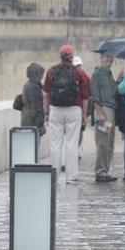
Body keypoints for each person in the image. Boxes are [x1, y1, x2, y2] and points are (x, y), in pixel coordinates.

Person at [42, 44, 91, 184]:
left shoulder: (51, 71)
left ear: (60, 55)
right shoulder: (78, 73)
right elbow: (86, 96)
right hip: (74, 110)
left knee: (55, 143)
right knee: (72, 143)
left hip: (56, 109)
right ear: (72, 56)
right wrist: (85, 115)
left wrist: (46, 112)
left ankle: (54, 175)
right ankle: (72, 176)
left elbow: (46, 94)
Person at [90, 53, 118, 183]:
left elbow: (112, 92)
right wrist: (99, 113)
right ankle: (100, 171)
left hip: (111, 111)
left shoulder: (109, 74)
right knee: (102, 142)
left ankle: (105, 170)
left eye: (111, 57)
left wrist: (118, 81)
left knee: (109, 142)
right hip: (103, 110)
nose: (109, 60)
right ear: (101, 58)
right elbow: (95, 95)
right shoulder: (97, 74)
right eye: (107, 57)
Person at [21, 62, 45, 136]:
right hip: (33, 122)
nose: (41, 77)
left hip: (26, 119)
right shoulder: (35, 88)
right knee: (33, 144)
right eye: (40, 74)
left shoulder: (27, 85)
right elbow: (38, 108)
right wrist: (40, 126)